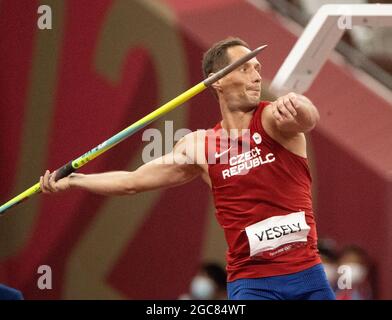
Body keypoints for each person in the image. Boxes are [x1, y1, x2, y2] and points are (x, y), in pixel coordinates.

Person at [40, 37, 335, 300]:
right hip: (253, 283)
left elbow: (307, 120)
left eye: (258, 69)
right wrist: (77, 180)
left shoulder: (273, 118)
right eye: (246, 68)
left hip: (307, 276)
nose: (256, 77)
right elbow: (132, 181)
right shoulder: (199, 146)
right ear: (217, 80)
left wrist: (298, 102)